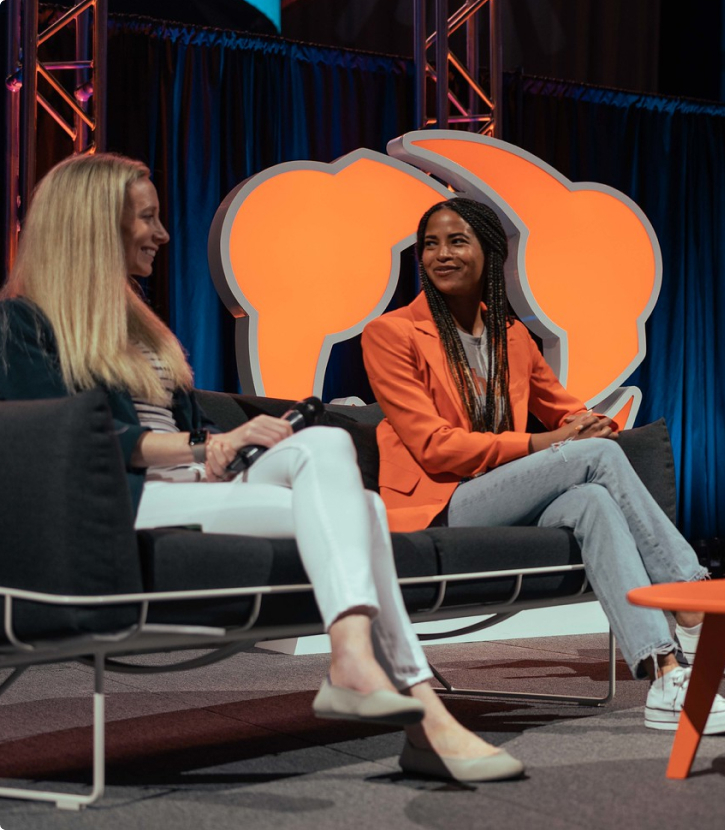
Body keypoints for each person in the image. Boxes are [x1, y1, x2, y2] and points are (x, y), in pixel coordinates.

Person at [0, 153, 522, 782]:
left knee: (325, 446)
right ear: (94, 225)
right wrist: (203, 447)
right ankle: (422, 717)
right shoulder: (23, 323)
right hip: (127, 497)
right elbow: (66, 441)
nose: (162, 234)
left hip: (191, 483)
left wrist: (225, 447)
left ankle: (356, 663)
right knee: (363, 511)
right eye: (147, 218)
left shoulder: (134, 322)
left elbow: (186, 427)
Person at [361, 197, 725, 733]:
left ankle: (665, 675)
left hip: (505, 494)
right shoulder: (392, 334)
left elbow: (566, 409)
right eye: (430, 244)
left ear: (489, 252)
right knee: (593, 459)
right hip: (441, 502)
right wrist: (552, 442)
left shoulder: (511, 336)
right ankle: (695, 609)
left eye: (456, 241)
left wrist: (592, 425)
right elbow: (434, 447)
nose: (441, 254)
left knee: (591, 500)